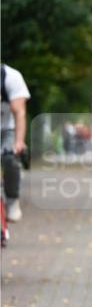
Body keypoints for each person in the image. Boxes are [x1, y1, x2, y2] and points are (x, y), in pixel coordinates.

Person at [0, 63, 30, 222]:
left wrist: (19, 142)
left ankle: (12, 200)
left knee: (9, 158)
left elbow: (19, 112)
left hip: (7, 129)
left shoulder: (11, 77)